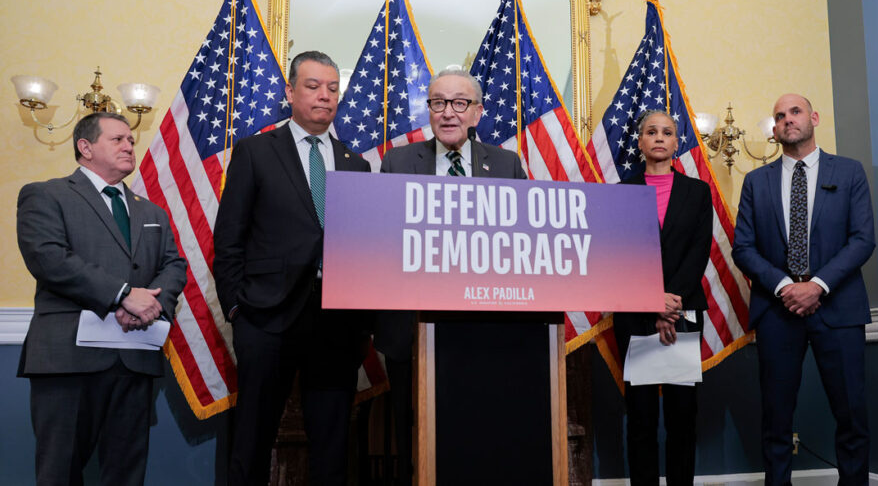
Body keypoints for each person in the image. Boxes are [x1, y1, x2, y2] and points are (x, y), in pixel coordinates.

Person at [213, 50, 371, 485]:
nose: (325, 96)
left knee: (332, 447)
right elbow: (228, 239)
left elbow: (362, 246)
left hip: (337, 322)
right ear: (290, 92)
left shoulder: (356, 163)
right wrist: (236, 309)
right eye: (313, 86)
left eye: (333, 88)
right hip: (267, 317)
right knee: (253, 438)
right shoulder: (255, 151)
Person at [16, 112, 187, 486]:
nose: (129, 146)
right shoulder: (46, 194)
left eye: (131, 140)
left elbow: (174, 265)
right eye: (118, 139)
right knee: (60, 472)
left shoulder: (151, 210)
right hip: (68, 359)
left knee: (126, 473)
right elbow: (49, 258)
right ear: (85, 147)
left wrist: (151, 306)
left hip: (134, 356)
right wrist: (123, 296)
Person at [374, 68, 527, 485]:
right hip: (411, 328)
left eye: (460, 103)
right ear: (429, 110)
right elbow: (381, 240)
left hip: (486, 327)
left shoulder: (506, 165)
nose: (448, 113)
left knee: (480, 436)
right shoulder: (398, 162)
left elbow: (523, 245)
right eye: (438, 102)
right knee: (415, 440)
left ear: (477, 112)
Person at [732, 94, 874, 485]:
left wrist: (817, 285)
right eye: (779, 116)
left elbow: (862, 239)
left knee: (851, 414)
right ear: (775, 129)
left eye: (795, 112)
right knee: (776, 416)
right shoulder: (756, 181)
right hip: (777, 312)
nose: (787, 119)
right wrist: (785, 287)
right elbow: (743, 248)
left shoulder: (849, 172)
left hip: (839, 309)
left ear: (814, 118)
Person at [613, 110, 712, 486]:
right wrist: (651, 300)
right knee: (640, 417)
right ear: (640, 142)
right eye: (651, 132)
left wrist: (671, 302)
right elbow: (619, 255)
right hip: (635, 315)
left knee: (682, 415)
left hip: (683, 313)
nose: (658, 137)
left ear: (676, 142)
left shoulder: (697, 192)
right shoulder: (622, 192)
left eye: (667, 132)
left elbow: (698, 251)